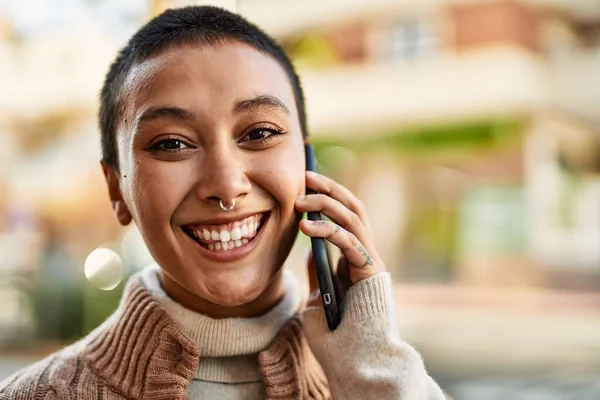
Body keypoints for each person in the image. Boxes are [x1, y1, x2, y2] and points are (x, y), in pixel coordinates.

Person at [0, 6, 448, 400]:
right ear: (117, 190)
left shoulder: (378, 382)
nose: (226, 185)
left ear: (306, 163)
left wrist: (373, 362)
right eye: (173, 143)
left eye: (260, 133)